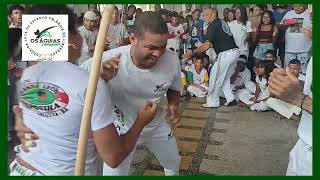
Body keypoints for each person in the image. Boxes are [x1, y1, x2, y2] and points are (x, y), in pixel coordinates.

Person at [10, 5, 158, 176]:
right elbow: (113, 157)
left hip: (20, 169)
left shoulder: (28, 75)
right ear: (71, 40)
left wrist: (98, 80)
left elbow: (57, 111)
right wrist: (141, 120)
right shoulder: (89, 85)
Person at [81, 11, 182, 176]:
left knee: (173, 164)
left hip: (157, 127)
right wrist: (100, 79)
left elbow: (174, 89)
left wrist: (173, 106)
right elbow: (73, 87)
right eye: (151, 47)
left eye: (162, 46)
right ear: (133, 39)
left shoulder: (171, 60)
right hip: (122, 129)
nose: (158, 54)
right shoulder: (107, 60)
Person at [183, 7, 239, 108]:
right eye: (203, 15)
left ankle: (213, 101)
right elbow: (215, 42)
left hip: (226, 54)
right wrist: (197, 47)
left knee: (215, 77)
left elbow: (207, 46)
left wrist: (193, 53)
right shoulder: (221, 22)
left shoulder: (213, 25)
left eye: (206, 15)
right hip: (234, 52)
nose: (204, 17)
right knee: (224, 78)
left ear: (213, 14)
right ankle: (230, 98)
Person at [279, 4, 311, 76]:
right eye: (295, 6)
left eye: (300, 6)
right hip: (289, 49)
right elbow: (280, 27)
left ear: (305, 5)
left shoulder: (309, 14)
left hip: (304, 49)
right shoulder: (289, 13)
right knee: (288, 70)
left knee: (303, 71)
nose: (297, 8)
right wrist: (284, 24)